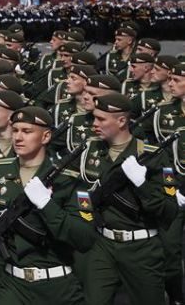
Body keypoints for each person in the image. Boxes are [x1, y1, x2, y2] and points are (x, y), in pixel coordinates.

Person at [0, 106, 97, 304]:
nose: (18, 137)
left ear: (46, 137)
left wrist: (46, 204)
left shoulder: (68, 180)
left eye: (27, 131)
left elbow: (85, 238)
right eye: (15, 130)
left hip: (58, 287)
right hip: (13, 285)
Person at [79, 93, 177, 305]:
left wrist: (142, 185)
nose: (94, 123)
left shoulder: (152, 156)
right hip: (102, 244)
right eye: (94, 117)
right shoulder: (91, 151)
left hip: (141, 248)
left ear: (122, 121)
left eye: (102, 119)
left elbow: (169, 211)